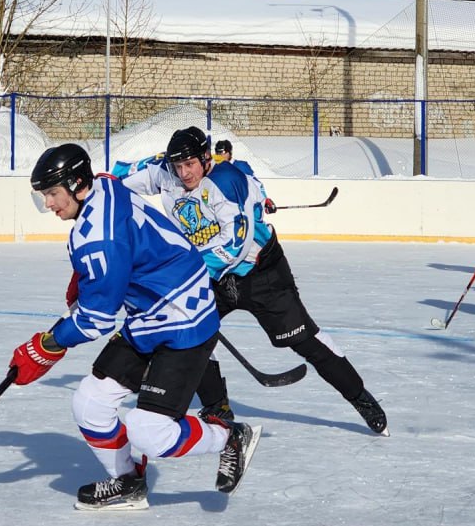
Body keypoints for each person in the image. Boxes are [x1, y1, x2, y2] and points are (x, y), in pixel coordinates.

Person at [9, 143, 260, 511]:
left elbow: (96, 319)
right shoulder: (105, 184)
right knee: (90, 403)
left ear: (78, 184)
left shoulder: (99, 237)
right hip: (149, 315)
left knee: (150, 432)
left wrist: (46, 346)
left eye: (51, 193)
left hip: (183, 323)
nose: (48, 203)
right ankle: (129, 482)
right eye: (43, 195)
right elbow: (126, 250)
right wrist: (87, 277)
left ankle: (229, 436)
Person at [115, 126, 388, 435]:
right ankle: (217, 406)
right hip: (210, 277)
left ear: (206, 158)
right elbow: (119, 176)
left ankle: (360, 398)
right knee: (189, 333)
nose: (183, 173)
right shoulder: (167, 170)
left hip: (260, 272)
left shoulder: (226, 181)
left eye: (189, 165)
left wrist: (186, 268)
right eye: (178, 166)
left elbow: (233, 245)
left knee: (303, 340)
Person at [214, 138, 275, 213]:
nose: (219, 155)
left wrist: (265, 200)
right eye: (217, 152)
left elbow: (257, 184)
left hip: (244, 208)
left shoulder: (241, 166)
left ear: (229, 153)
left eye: (222, 152)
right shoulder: (214, 168)